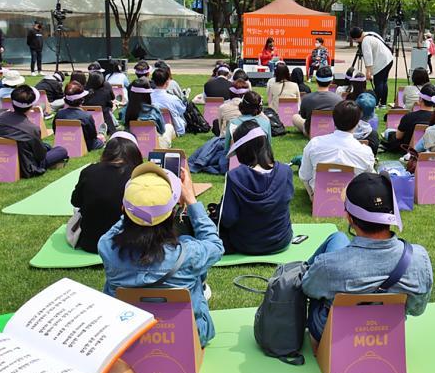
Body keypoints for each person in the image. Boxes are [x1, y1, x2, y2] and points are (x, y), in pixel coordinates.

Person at [98, 162, 223, 347]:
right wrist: (191, 199)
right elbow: (215, 245)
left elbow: (118, 228)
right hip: (189, 340)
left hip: (127, 340)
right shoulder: (189, 253)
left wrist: (135, 209)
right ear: (172, 213)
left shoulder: (107, 248)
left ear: (124, 208)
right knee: (189, 244)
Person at [302, 172, 433, 343]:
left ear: (349, 217)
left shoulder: (328, 265)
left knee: (337, 238)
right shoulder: (419, 257)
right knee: (339, 238)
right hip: (387, 335)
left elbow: (308, 288)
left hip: (334, 336)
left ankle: (303, 267)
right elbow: (417, 310)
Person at [218, 121, 294, 255]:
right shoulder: (285, 171)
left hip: (246, 244)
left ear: (241, 149)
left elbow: (228, 219)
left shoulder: (234, 176)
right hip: (281, 241)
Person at [71, 132, 143, 253]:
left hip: (90, 243)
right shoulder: (138, 175)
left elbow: (76, 201)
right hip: (125, 245)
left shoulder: (88, 171)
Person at [299, 100, 376, 199]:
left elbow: (304, 176)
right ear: (357, 123)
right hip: (352, 198)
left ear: (333, 119)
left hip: (320, 197)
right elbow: (369, 179)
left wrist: (312, 195)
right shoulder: (365, 151)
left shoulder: (315, 143)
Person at [0, 85, 68, 177]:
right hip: (26, 166)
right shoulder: (32, 129)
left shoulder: (0, 118)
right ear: (31, 106)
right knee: (61, 150)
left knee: (46, 145)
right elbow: (40, 156)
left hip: (2, 158)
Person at [121, 78, 177, 148]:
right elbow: (162, 130)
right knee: (169, 127)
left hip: (132, 146)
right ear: (147, 95)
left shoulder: (126, 111)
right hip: (155, 146)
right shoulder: (153, 110)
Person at [384, 84, 435, 152]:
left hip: (407, 147)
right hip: (429, 147)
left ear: (420, 99)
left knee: (388, 131)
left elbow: (398, 136)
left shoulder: (409, 116)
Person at [349, 27, 393, 108]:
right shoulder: (371, 33)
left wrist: (368, 72)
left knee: (378, 83)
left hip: (381, 62)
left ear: (356, 38)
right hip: (389, 59)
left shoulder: (365, 41)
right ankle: (383, 103)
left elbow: (368, 57)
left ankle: (375, 103)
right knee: (384, 82)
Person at [54, 82, 105, 151]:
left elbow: (55, 131)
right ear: (82, 100)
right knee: (99, 140)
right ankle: (102, 134)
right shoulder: (86, 116)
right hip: (85, 144)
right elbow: (92, 136)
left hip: (64, 143)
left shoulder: (59, 114)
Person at [293, 66, 341, 137]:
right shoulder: (338, 99)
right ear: (331, 81)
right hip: (331, 131)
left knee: (295, 117)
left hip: (310, 131)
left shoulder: (307, 98)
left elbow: (303, 116)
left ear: (317, 81)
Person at [151, 68, 187, 136]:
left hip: (153, 127)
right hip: (174, 128)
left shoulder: (147, 97)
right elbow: (182, 110)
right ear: (167, 82)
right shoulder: (173, 98)